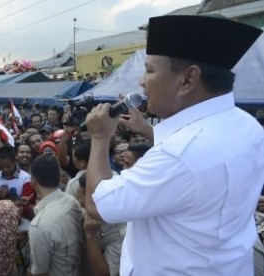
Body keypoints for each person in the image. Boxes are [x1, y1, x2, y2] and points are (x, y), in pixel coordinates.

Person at [84, 15, 264, 275]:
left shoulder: (179, 156)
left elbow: (97, 205)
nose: (142, 82)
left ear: (188, 79)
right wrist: (146, 129)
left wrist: (100, 138)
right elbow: (196, 163)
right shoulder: (247, 126)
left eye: (149, 70)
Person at [28, 155, 82, 276]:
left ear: (33, 180)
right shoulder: (72, 201)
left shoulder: (39, 226)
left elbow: (40, 272)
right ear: (59, 177)